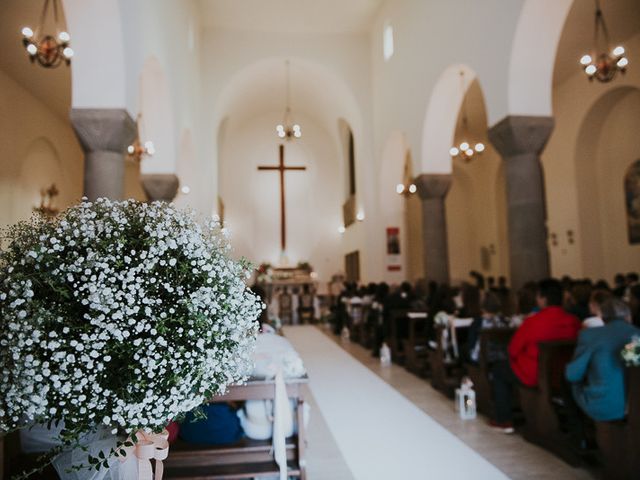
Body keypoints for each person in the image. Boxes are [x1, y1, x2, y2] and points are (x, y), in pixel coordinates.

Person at [489, 279, 581, 433]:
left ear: (544, 299)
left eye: (538, 296)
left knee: (498, 369)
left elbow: (513, 350)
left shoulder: (533, 322)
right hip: (564, 375)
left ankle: (504, 419)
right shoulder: (574, 321)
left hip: (535, 373)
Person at [566, 298, 640, 421]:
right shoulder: (637, 334)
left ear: (602, 317)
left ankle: (578, 434)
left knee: (570, 381)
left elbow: (572, 375)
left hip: (607, 407)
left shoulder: (589, 335)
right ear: (628, 316)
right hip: (635, 404)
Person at [467, 292, 510, 364]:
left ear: (482, 307)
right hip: (502, 358)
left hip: (482, 359)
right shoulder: (503, 321)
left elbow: (472, 343)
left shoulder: (477, 322)